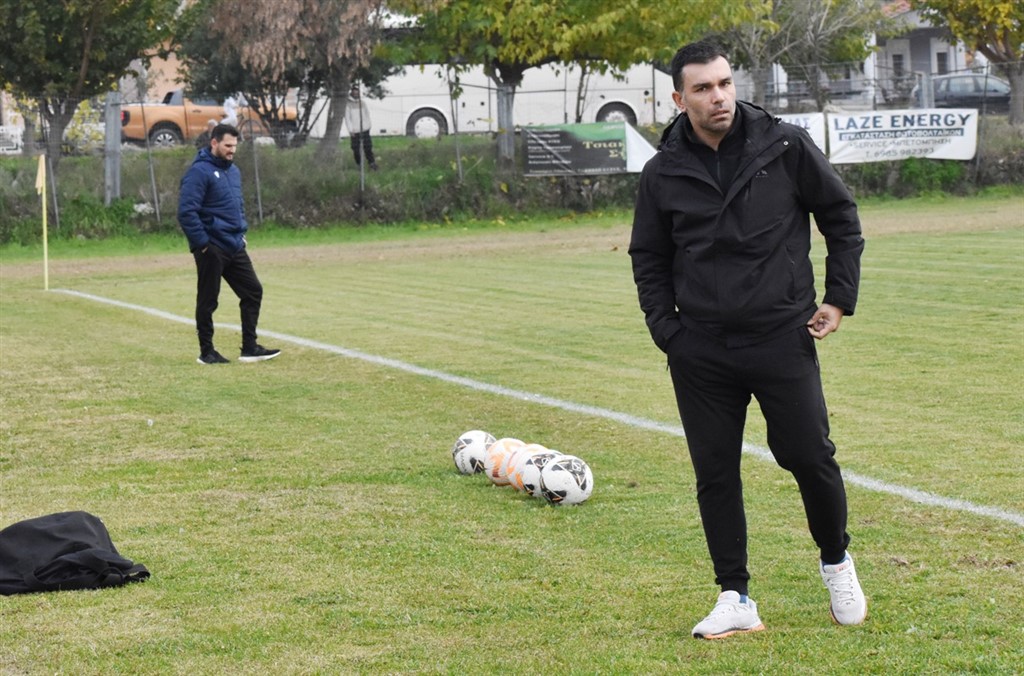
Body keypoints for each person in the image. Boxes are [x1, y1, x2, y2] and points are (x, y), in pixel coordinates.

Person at [629, 39, 866, 639]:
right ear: (679, 99)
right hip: (700, 349)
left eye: (725, 83)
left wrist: (838, 297)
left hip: (780, 335)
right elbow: (648, 257)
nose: (719, 97)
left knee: (809, 456)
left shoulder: (784, 146)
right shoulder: (662, 172)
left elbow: (841, 218)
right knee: (715, 472)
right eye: (704, 88)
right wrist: (669, 332)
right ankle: (734, 595)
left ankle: (836, 561)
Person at [178, 123, 280, 365]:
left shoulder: (233, 172)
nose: (232, 150)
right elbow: (186, 212)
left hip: (235, 245)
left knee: (253, 291)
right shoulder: (199, 172)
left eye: (234, 146)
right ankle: (207, 352)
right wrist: (204, 244)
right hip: (212, 248)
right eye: (227, 145)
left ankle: (250, 348)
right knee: (208, 300)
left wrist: (241, 233)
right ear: (214, 143)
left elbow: (237, 205)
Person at [345, 84, 377, 170]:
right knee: (356, 149)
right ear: (352, 93)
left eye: (357, 92)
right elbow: (347, 118)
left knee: (368, 147)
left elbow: (367, 114)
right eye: (354, 92)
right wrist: (350, 130)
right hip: (355, 131)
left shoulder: (362, 103)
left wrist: (368, 125)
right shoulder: (348, 105)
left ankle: (372, 163)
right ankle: (359, 165)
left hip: (365, 129)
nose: (356, 94)